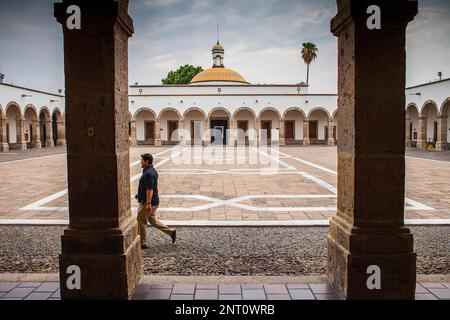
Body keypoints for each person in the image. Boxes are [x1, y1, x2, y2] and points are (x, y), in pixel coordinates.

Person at [136, 153, 176, 249]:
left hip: (149, 202)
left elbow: (150, 189)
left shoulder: (148, 173)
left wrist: (148, 203)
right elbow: (147, 186)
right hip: (153, 201)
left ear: (146, 161)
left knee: (141, 220)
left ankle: (142, 243)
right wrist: (139, 194)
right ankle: (171, 232)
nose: (140, 162)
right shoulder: (150, 170)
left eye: (142, 160)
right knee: (152, 220)